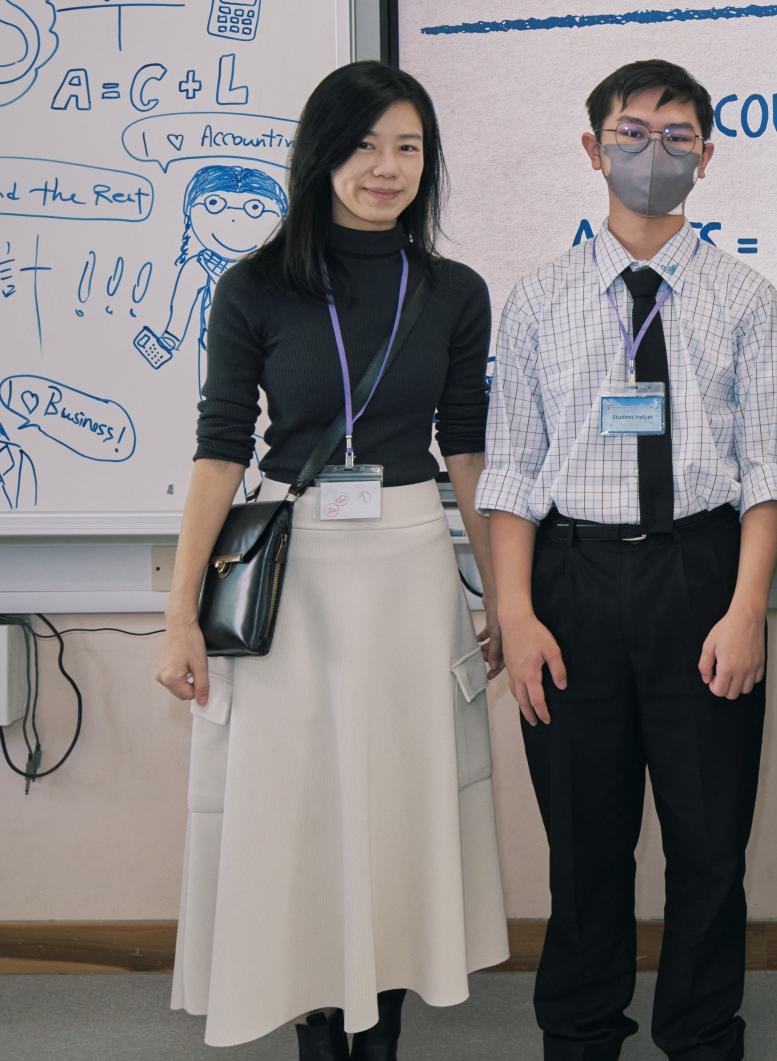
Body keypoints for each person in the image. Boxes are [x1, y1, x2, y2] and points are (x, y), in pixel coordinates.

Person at [154, 61, 509, 1058]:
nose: (385, 166)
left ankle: (382, 1037)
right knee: (302, 819)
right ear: (320, 156)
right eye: (362, 145)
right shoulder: (254, 287)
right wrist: (181, 613)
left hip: (409, 569)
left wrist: (502, 596)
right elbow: (221, 448)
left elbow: (467, 451)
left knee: (397, 818)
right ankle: (319, 1038)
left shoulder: (454, 291)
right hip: (291, 576)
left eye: (407, 146)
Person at [479, 58, 777, 1061]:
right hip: (570, 586)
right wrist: (516, 615)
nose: (652, 153)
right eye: (630, 132)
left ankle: (701, 1034)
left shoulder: (746, 298)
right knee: (585, 845)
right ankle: (581, 1034)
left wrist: (748, 608)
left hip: (702, 578)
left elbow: (768, 470)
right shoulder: (538, 301)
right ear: (593, 149)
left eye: (676, 136)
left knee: (710, 844)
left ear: (706, 156)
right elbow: (511, 473)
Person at [134, 164, 289, 387]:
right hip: (221, 358)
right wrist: (165, 344)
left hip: (279, 356)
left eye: (255, 208)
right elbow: (178, 319)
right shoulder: (198, 267)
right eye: (214, 204)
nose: (233, 219)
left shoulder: (279, 269)